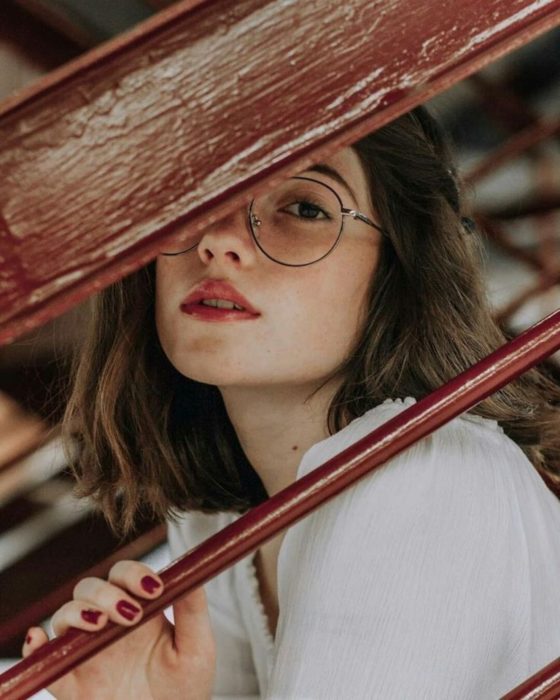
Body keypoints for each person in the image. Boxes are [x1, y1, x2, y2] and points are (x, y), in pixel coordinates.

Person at [22, 105, 560, 699]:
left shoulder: (422, 471)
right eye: (195, 202)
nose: (218, 240)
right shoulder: (222, 520)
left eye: (305, 209)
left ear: (398, 271)